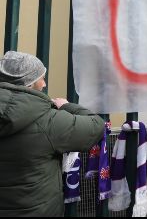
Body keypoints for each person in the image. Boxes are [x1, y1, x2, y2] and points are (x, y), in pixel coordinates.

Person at [0, 50, 105, 216]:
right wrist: (66, 106)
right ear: (29, 83)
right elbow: (96, 126)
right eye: (41, 78)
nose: (44, 84)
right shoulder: (48, 121)